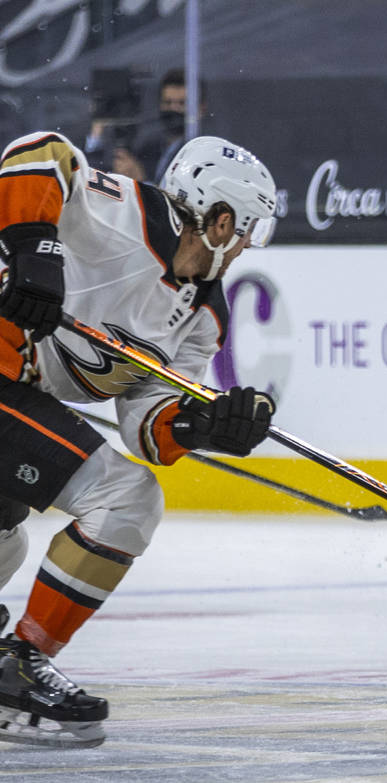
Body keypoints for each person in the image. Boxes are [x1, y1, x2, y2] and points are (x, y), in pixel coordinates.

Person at [0, 131, 277, 747]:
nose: (244, 251)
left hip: (14, 392)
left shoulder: (204, 315)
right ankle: (17, 665)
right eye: (246, 232)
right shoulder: (119, 208)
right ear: (219, 219)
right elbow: (37, 150)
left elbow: (148, 429)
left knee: (4, 544)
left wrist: (204, 424)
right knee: (127, 499)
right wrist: (33, 250)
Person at [135, 68, 208, 185]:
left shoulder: (203, 153)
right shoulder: (148, 147)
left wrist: (142, 182)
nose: (173, 109)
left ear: (201, 108)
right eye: (168, 103)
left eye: (182, 103)